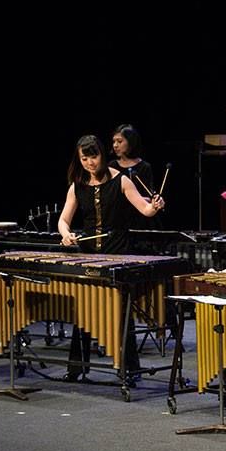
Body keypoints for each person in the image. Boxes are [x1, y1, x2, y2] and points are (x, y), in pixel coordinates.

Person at [58, 135, 165, 382]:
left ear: (102, 155)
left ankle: (129, 370)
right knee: (82, 313)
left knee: (121, 316)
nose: (90, 163)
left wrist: (156, 205)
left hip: (117, 256)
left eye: (93, 157)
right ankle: (76, 368)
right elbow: (63, 220)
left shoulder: (122, 181)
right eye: (84, 159)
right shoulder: (77, 186)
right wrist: (66, 235)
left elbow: (145, 209)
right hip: (88, 258)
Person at [108, 124, 161, 230]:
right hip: (118, 219)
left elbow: (148, 196)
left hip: (140, 219)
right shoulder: (111, 166)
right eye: (114, 141)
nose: (115, 145)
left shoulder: (144, 167)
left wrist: (154, 200)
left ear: (131, 143)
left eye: (119, 141)